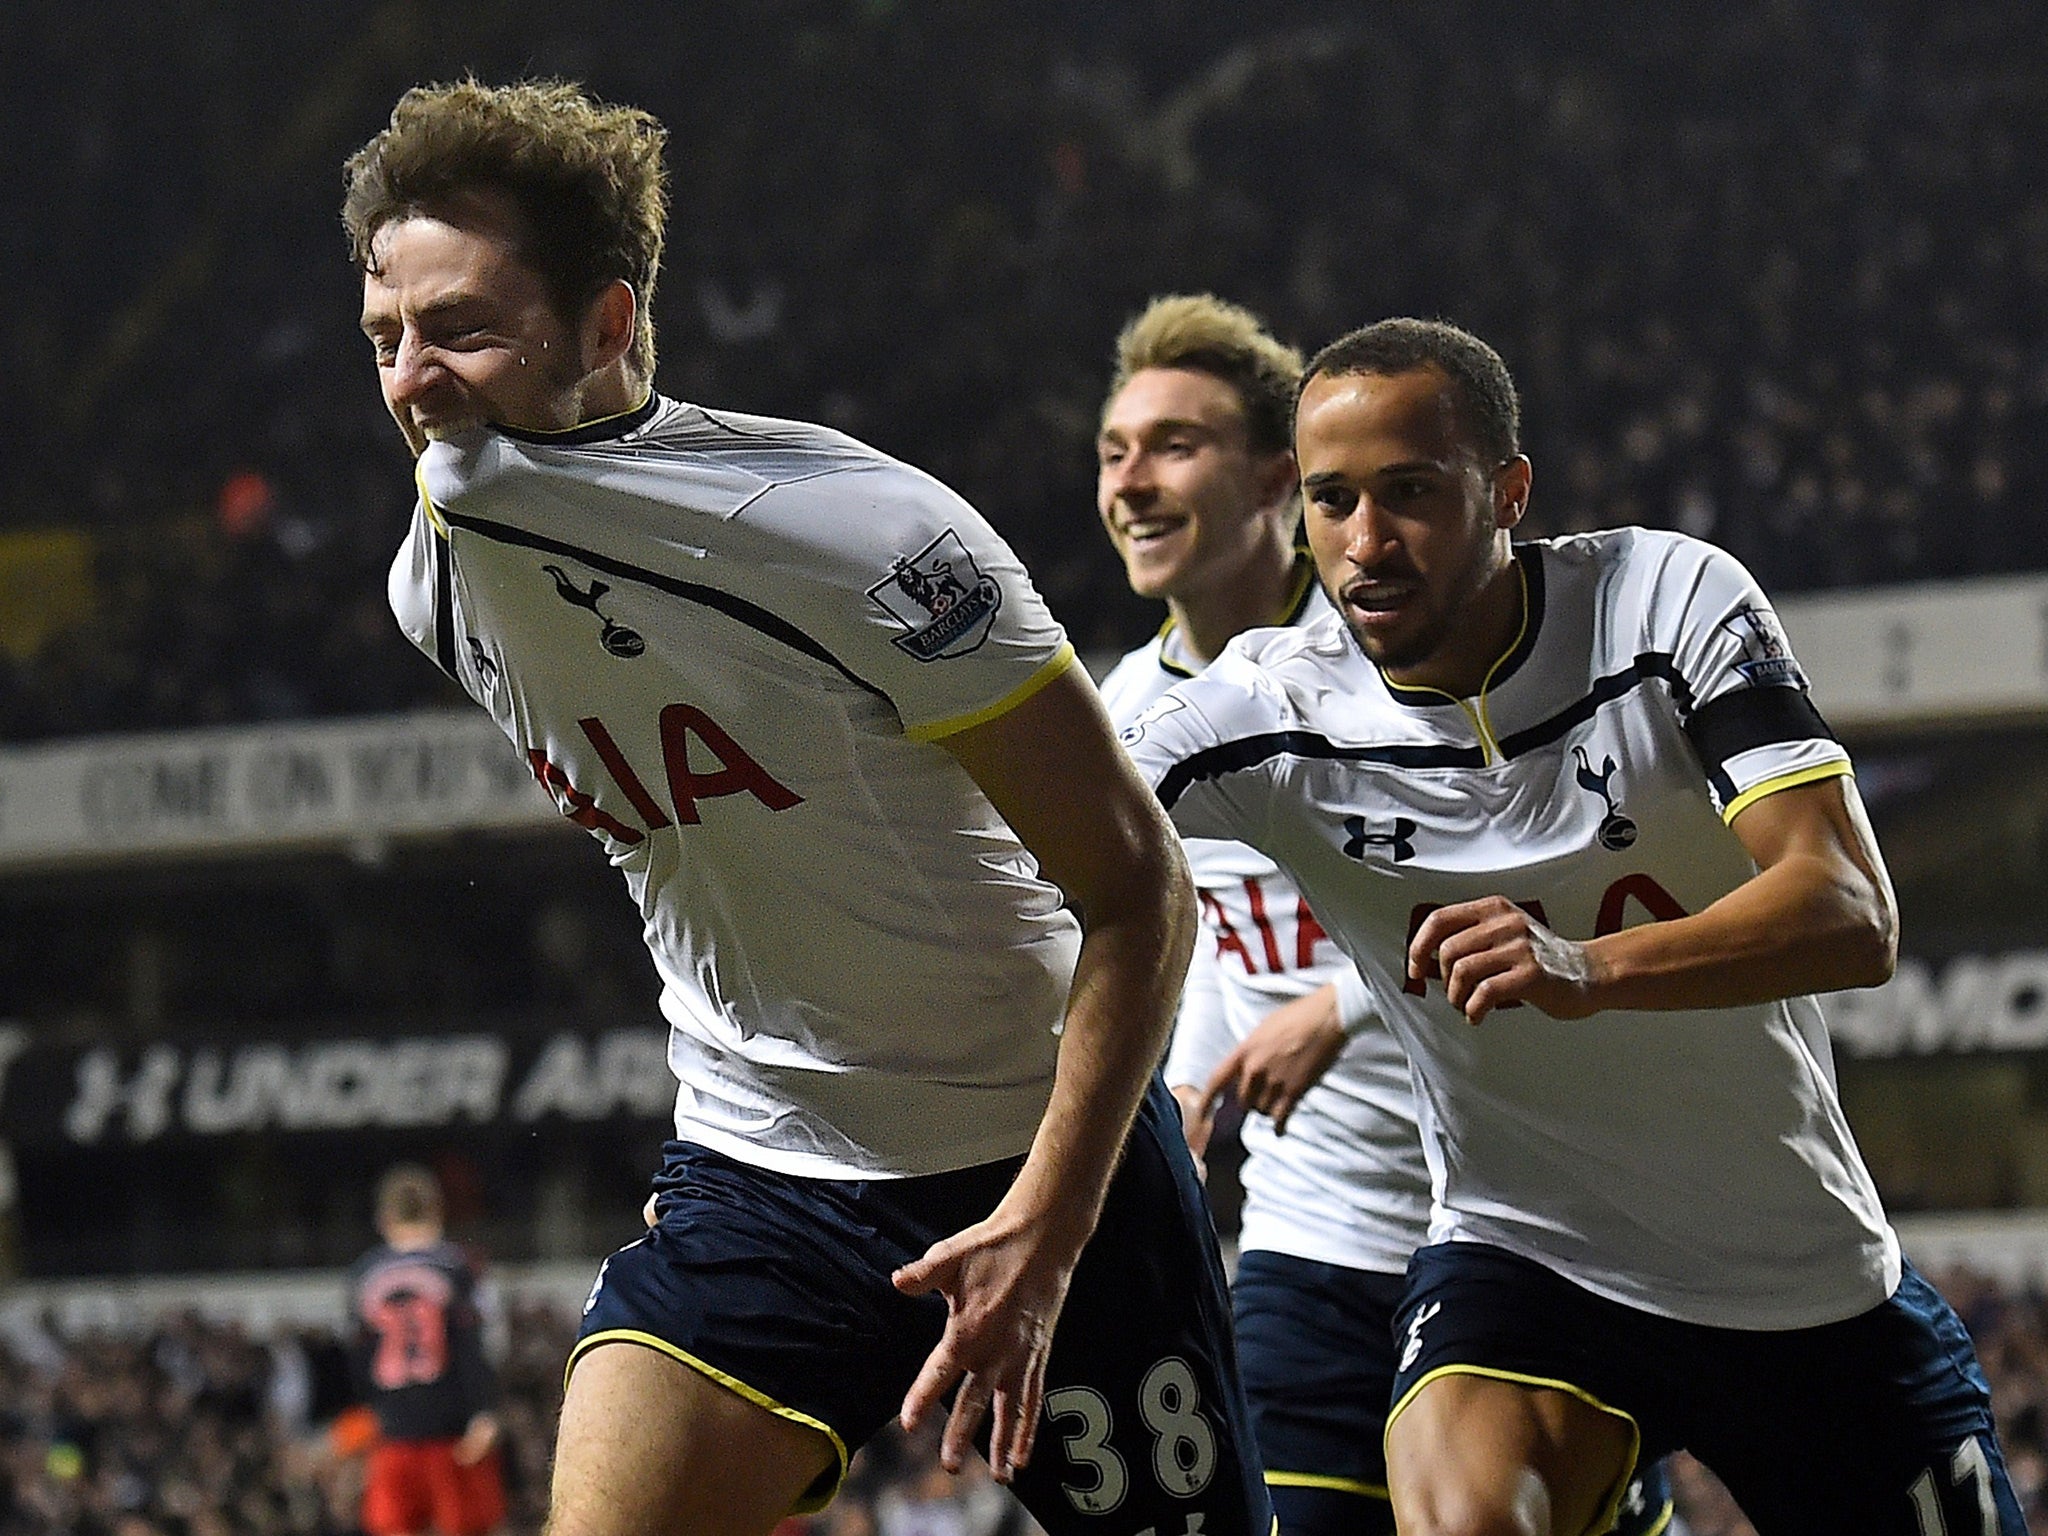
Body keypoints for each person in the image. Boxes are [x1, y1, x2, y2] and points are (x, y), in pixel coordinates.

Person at [341, 79, 1268, 1536]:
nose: (416, 383)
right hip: (756, 1173)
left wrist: (1053, 1219)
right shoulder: (436, 584)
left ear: (608, 324)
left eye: (464, 329)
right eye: (387, 340)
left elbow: (1141, 893)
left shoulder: (866, 539)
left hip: (1038, 1161)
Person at [1117, 315, 2026, 1534]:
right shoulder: (1268, 709)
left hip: (1799, 1276)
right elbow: (1043, 845)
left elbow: (1848, 909)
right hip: (1524, 1262)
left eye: (1409, 494)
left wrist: (1580, 965)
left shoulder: (1665, 601)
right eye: (1331, 502)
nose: (1366, 543)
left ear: (1507, 491)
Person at [1094, 295, 1673, 1536]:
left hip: (1523, 1235)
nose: (1131, 482)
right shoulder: (1130, 702)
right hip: (1307, 1252)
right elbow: (1189, 943)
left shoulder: (1405, 643)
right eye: (1112, 451)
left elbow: (1562, 864)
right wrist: (1178, 1092)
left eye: (1171, 446)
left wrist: (1341, 1005)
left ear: (1273, 485)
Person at [347, 1164, 506, 1536]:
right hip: (452, 1431)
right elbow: (479, 1343)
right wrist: (484, 1409)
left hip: (392, 1431)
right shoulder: (459, 1268)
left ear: (384, 1218)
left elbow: (357, 1356)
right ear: (437, 1210)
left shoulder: (362, 1275)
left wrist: (372, 1413)